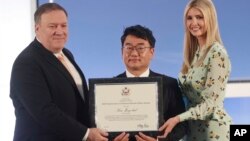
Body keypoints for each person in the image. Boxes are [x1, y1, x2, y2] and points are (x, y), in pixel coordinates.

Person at [10, 3, 108, 141]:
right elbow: (44, 112)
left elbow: (78, 99)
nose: (60, 31)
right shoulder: (27, 63)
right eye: (52, 26)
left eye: (63, 25)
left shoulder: (66, 54)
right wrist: (86, 134)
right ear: (37, 28)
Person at [159, 0, 232, 140]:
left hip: (213, 132)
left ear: (210, 19)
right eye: (189, 18)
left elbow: (211, 104)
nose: (193, 23)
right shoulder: (193, 54)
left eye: (199, 17)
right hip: (191, 130)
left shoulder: (217, 53)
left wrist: (178, 119)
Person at [116, 25, 187, 141]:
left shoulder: (170, 85)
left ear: (151, 52)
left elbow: (182, 125)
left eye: (140, 48)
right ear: (121, 52)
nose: (134, 53)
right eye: (129, 47)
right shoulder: (108, 88)